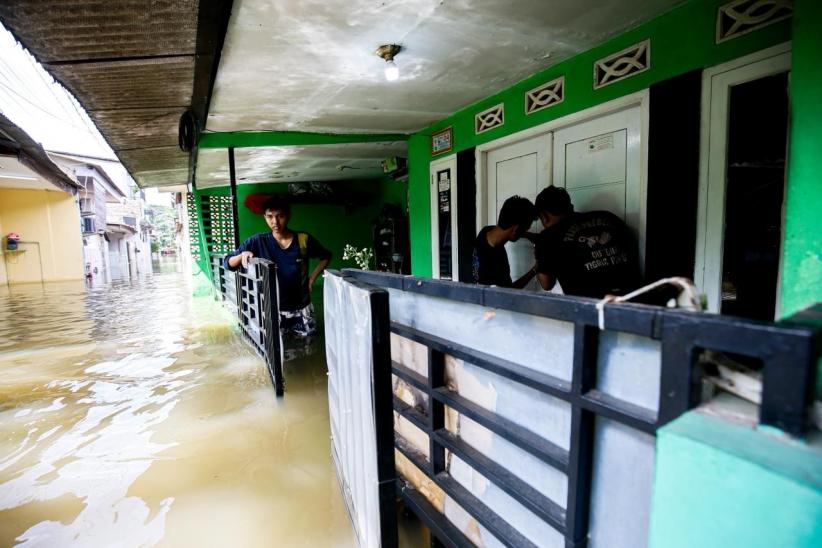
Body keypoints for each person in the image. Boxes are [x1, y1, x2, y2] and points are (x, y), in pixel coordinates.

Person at [224, 195, 331, 342]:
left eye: (280, 216)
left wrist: (312, 279)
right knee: (278, 350)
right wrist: (242, 254)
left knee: (308, 346)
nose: (275, 222)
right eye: (270, 217)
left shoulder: (303, 239)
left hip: (302, 308)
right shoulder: (257, 241)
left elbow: (325, 256)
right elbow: (227, 263)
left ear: (288, 215)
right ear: (264, 217)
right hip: (272, 310)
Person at [534, 186, 640, 298]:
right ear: (570, 206)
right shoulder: (609, 217)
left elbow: (546, 284)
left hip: (591, 307)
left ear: (544, 216)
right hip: (636, 299)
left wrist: (539, 257)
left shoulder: (547, 237)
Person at [472, 195, 539, 288]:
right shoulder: (493, 266)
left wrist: (530, 236)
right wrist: (535, 270)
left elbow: (508, 230)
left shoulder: (486, 232)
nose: (525, 232)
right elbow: (510, 292)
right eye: (525, 229)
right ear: (517, 229)